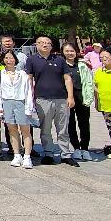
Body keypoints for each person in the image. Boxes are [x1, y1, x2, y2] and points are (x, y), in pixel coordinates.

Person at [26, 35, 78, 166]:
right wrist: (29, 99)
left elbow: (67, 79)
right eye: (42, 42)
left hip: (61, 99)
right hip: (42, 100)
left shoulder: (59, 60)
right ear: (36, 45)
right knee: (45, 128)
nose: (45, 45)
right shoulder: (31, 60)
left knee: (63, 128)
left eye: (48, 43)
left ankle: (66, 154)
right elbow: (28, 80)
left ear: (51, 46)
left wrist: (70, 97)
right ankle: (48, 153)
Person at [0, 50, 34, 169]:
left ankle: (27, 156)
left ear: (15, 60)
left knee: (25, 130)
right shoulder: (0, 74)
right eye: (6, 58)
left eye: (11, 58)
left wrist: (29, 108)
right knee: (12, 130)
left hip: (21, 102)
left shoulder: (22, 74)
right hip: (7, 102)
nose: (9, 60)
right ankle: (16, 154)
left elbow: (28, 91)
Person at [63, 43, 94, 161]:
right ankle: (76, 148)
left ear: (76, 52)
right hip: (67, 99)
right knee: (70, 124)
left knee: (84, 124)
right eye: (67, 51)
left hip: (82, 97)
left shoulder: (82, 65)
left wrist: (91, 97)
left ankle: (85, 149)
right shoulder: (61, 65)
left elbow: (89, 82)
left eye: (72, 51)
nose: (69, 53)